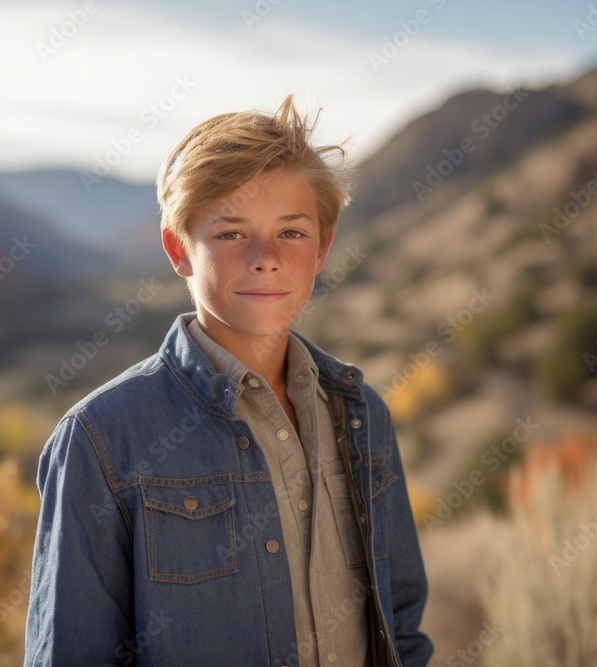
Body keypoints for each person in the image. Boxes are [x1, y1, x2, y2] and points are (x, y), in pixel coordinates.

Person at [24, 95, 433, 666]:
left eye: (291, 232)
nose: (266, 258)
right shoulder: (102, 439)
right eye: (232, 233)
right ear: (178, 248)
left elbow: (402, 625)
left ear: (324, 246)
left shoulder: (363, 414)